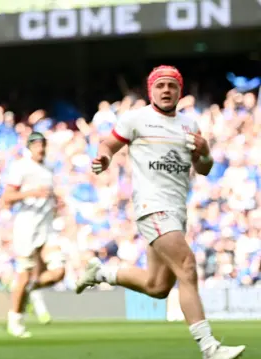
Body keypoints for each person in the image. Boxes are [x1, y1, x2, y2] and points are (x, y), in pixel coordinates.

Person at [76, 65, 246, 359]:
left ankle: (102, 271)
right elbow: (108, 143)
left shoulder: (190, 125)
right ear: (151, 90)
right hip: (151, 206)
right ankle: (209, 347)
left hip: (176, 211)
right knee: (188, 266)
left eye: (172, 86)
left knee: (157, 286)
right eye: (160, 85)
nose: (166, 90)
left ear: (179, 91)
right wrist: (103, 157)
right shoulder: (136, 119)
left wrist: (204, 151)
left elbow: (203, 169)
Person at [1, 132, 66, 338]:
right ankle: (15, 320)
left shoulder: (48, 167)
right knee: (24, 274)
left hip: (47, 227)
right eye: (37, 144)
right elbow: (7, 198)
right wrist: (31, 193)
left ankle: (28, 290)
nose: (41, 148)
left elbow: (48, 193)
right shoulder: (21, 166)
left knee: (59, 271)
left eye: (43, 144)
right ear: (29, 147)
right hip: (27, 227)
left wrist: (56, 201)